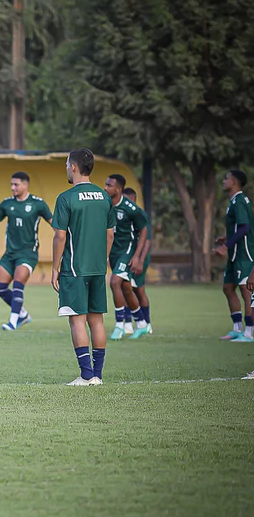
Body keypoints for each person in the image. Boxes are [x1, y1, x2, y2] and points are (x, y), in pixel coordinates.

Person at [50, 149, 115, 386]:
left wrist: (55, 268)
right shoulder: (104, 197)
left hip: (74, 269)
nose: (66, 168)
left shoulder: (66, 198)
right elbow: (110, 235)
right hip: (98, 268)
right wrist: (102, 260)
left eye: (67, 164)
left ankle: (86, 374)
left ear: (74, 167)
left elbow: (59, 237)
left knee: (77, 321)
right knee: (96, 320)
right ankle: (97, 375)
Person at [0, 171, 52, 330]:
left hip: (28, 253)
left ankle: (13, 322)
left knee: (18, 284)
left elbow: (54, 222)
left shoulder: (38, 204)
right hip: (10, 253)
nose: (13, 187)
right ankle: (23, 314)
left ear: (25, 185)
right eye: (11, 184)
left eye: (16, 184)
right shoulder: (7, 204)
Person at [104, 174, 151, 340]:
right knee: (126, 288)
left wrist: (137, 256)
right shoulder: (106, 205)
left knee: (114, 282)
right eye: (106, 184)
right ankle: (142, 323)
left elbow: (144, 229)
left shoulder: (130, 207)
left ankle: (119, 325)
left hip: (128, 250)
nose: (105, 188)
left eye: (109, 185)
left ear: (118, 189)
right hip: (115, 252)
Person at [216, 169, 253, 341]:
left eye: (227, 178)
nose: (224, 181)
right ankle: (237, 328)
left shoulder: (239, 200)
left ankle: (250, 332)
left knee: (247, 292)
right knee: (228, 288)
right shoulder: (233, 201)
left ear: (235, 181)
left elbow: (245, 227)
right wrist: (227, 237)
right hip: (234, 255)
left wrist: (226, 246)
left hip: (243, 254)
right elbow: (239, 226)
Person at [122, 188, 153, 333]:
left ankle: (146, 323)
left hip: (139, 257)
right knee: (124, 287)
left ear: (133, 200)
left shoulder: (139, 214)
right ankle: (127, 323)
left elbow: (147, 240)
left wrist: (140, 260)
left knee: (138, 290)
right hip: (127, 256)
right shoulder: (122, 213)